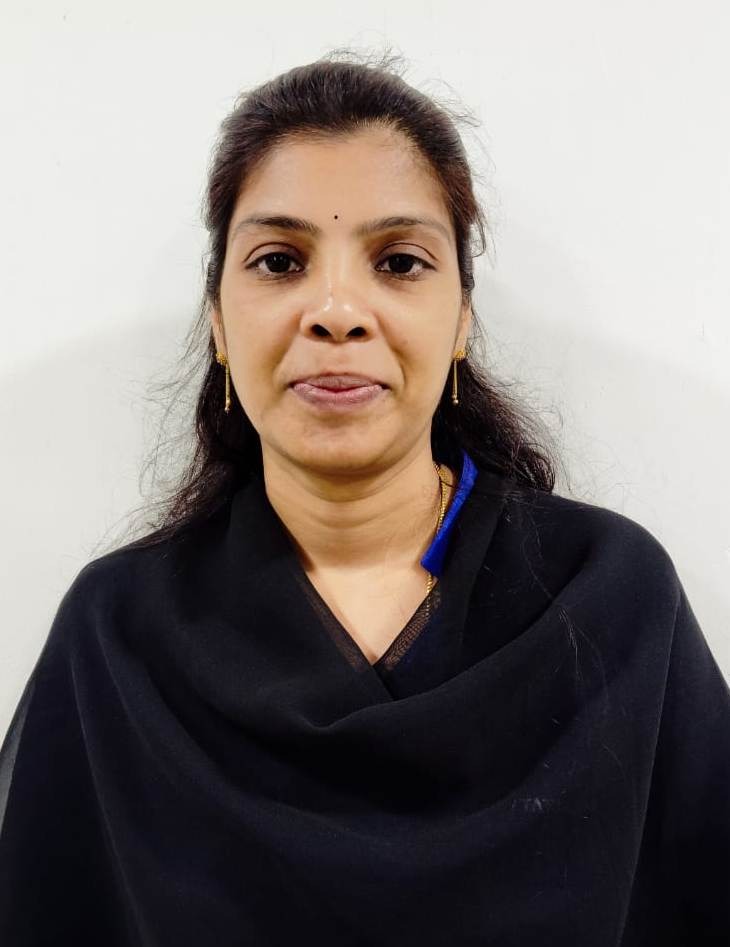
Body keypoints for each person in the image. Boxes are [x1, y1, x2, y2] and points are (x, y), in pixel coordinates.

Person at [0, 49, 728, 947]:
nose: (337, 310)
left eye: (398, 261)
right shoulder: (118, 637)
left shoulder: (611, 602)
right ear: (219, 322)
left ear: (462, 319)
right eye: (279, 261)